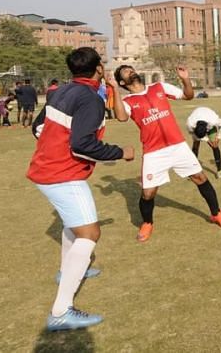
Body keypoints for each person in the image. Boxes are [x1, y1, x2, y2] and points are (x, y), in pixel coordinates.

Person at [27, 47, 135, 332]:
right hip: (63, 174)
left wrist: (54, 146)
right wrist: (120, 152)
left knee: (72, 225)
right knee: (90, 234)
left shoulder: (60, 91)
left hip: (46, 170)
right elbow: (82, 145)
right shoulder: (89, 98)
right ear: (98, 68)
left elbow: (38, 128)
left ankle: (67, 271)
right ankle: (61, 311)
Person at [110, 64, 221, 242]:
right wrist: (114, 89)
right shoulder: (128, 101)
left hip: (178, 146)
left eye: (131, 68)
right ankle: (147, 223)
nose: (132, 71)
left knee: (201, 178)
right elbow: (121, 117)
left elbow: (188, 96)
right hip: (154, 152)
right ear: (122, 81)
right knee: (148, 193)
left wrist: (185, 79)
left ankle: (217, 213)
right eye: (126, 71)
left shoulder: (159, 87)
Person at [186, 106, 221, 179]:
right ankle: (193, 171)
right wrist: (206, 140)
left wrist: (218, 137)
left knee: (214, 145)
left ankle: (219, 170)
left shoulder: (214, 121)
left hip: (208, 119)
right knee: (195, 146)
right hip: (198, 122)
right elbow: (194, 134)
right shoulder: (190, 124)